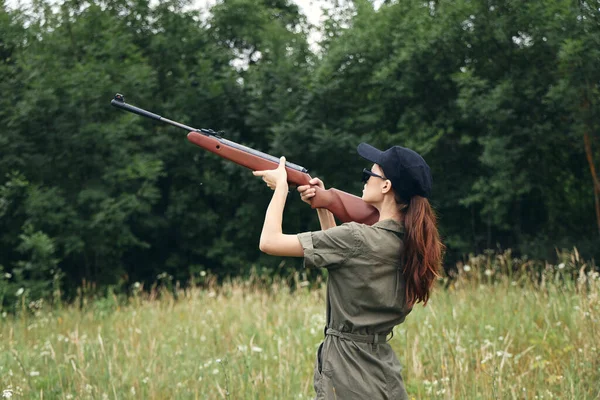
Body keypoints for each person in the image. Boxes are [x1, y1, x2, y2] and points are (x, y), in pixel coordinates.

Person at [252, 143, 444, 400]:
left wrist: (281, 189)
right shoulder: (409, 245)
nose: (364, 181)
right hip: (383, 373)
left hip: (346, 374)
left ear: (386, 186)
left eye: (369, 175)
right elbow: (341, 260)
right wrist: (323, 206)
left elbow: (269, 242)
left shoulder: (357, 238)